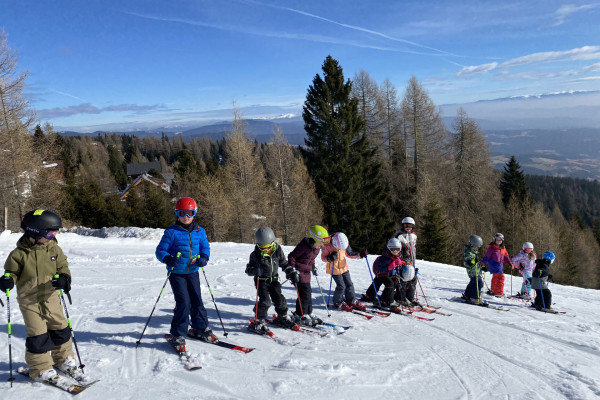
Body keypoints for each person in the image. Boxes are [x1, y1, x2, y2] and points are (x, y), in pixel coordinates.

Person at [0, 209, 91, 384]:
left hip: (51, 298)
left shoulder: (54, 249)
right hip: (30, 302)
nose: (53, 236)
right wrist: (7, 280)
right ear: (35, 232)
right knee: (38, 336)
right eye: (50, 233)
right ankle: (41, 368)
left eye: (55, 233)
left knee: (61, 329)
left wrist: (65, 279)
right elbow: (11, 272)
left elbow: (63, 267)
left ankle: (63, 359)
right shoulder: (18, 254)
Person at [155, 197, 215, 349]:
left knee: (197, 300)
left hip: (193, 271)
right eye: (182, 213)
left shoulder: (200, 232)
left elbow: (205, 248)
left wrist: (204, 257)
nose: (186, 217)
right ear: (177, 214)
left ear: (194, 213)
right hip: (177, 274)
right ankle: (178, 334)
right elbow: (160, 250)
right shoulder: (171, 232)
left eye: (189, 213)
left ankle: (200, 328)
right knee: (184, 303)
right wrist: (168, 258)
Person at [245, 227, 296, 333]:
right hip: (261, 281)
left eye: (268, 247)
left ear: (272, 243)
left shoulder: (277, 250)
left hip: (274, 280)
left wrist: (291, 272)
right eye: (262, 247)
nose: (265, 250)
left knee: (279, 299)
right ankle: (258, 320)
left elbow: (284, 263)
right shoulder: (255, 255)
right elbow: (248, 270)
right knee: (265, 301)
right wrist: (255, 271)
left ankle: (283, 316)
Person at [287, 225, 329, 326]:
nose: (322, 246)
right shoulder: (304, 246)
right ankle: (301, 315)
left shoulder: (316, 249)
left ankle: (309, 313)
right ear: (313, 239)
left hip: (306, 273)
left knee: (308, 295)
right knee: (304, 295)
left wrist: (313, 267)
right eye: (320, 243)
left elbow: (311, 260)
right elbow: (291, 256)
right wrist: (292, 271)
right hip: (297, 274)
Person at [320, 232, 368, 312]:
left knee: (349, 284)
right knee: (341, 286)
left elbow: (350, 254)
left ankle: (351, 300)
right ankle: (337, 302)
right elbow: (323, 258)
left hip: (344, 267)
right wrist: (329, 258)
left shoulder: (344, 242)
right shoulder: (327, 245)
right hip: (334, 269)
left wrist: (360, 254)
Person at [365, 238, 406, 310]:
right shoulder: (385, 258)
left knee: (379, 282)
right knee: (390, 283)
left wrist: (400, 264)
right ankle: (389, 301)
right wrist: (389, 268)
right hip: (381, 273)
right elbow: (379, 268)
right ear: (389, 249)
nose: (395, 252)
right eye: (393, 249)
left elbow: (397, 262)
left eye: (397, 249)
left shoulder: (396, 256)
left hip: (387, 274)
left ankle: (372, 295)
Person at [393, 217, 420, 306]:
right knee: (403, 279)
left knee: (413, 279)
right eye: (406, 225)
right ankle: (400, 297)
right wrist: (400, 261)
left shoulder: (413, 235)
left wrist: (413, 262)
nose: (408, 227)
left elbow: (413, 249)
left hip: (411, 261)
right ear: (402, 226)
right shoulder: (399, 235)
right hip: (402, 262)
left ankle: (409, 297)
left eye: (410, 226)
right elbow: (397, 250)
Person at [461, 235, 488, 306]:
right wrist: (473, 261)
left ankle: (467, 295)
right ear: (472, 245)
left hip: (476, 271)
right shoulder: (468, 253)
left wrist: (482, 267)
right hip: (473, 272)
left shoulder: (473, 252)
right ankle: (475, 298)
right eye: (476, 247)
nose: (477, 249)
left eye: (478, 247)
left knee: (473, 283)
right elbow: (467, 262)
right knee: (479, 283)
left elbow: (476, 263)